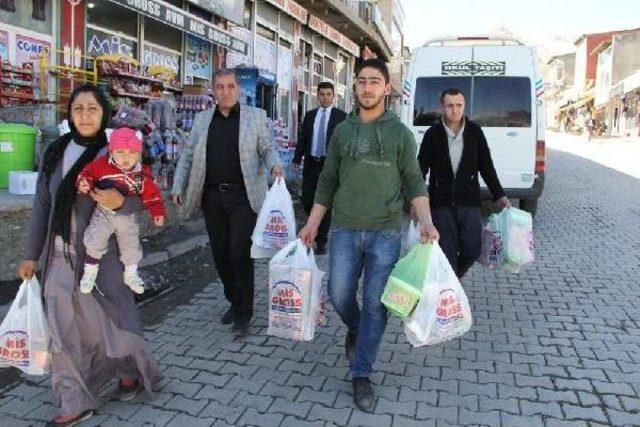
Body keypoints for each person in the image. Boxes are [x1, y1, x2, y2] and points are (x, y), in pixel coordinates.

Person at [298, 59, 439, 413]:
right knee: (339, 293)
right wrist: (313, 223)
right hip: (344, 228)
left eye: (374, 81)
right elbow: (327, 182)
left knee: (378, 304)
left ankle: (361, 373)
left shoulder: (400, 135)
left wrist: (426, 221)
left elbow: (414, 182)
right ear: (355, 86)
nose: (367, 88)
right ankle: (357, 328)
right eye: (361, 81)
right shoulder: (342, 132)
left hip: (386, 232)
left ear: (386, 87)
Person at [18, 84, 161, 427]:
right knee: (62, 327)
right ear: (70, 113)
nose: (85, 115)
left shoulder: (114, 154)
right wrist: (29, 255)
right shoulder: (54, 152)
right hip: (58, 254)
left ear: (104, 114)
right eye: (78, 108)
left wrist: (122, 202)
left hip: (101, 256)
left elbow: (146, 191)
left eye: (92, 109)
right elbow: (42, 205)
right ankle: (74, 400)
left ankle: (128, 369)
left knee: (114, 318)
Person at [171, 68, 284, 335]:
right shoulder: (201, 120)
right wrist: (178, 185)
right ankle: (234, 300)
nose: (225, 92)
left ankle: (243, 315)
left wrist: (275, 167)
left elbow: (267, 148)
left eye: (230, 86)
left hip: (244, 196)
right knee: (220, 254)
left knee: (239, 252)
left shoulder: (255, 117)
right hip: (212, 196)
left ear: (238, 89)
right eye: (220, 87)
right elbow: (187, 156)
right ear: (213, 90)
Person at [417, 88, 511, 279]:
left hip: (469, 204)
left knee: (473, 249)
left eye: (459, 105)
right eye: (450, 105)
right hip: (441, 205)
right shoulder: (433, 134)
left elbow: (486, 166)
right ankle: (450, 293)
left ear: (464, 106)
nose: (455, 109)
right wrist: (414, 201)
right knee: (447, 253)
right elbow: (420, 169)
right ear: (443, 107)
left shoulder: (475, 132)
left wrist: (499, 194)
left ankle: (452, 281)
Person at [77, 127, 166, 295]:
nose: (125, 158)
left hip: (127, 216)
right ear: (111, 152)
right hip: (103, 213)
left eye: (132, 153)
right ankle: (89, 272)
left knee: (131, 244)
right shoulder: (101, 166)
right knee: (95, 239)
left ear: (139, 154)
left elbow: (152, 195)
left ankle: (131, 274)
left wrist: (158, 212)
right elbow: (86, 173)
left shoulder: (142, 175)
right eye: (120, 152)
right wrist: (83, 183)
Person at [292, 82, 347, 254]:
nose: (324, 98)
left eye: (328, 94)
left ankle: (321, 240)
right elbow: (303, 138)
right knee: (308, 199)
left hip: (329, 165)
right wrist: (296, 158)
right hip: (311, 163)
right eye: (321, 94)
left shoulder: (341, 117)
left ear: (333, 96)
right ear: (317, 96)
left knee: (325, 202)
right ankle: (313, 225)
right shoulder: (310, 116)